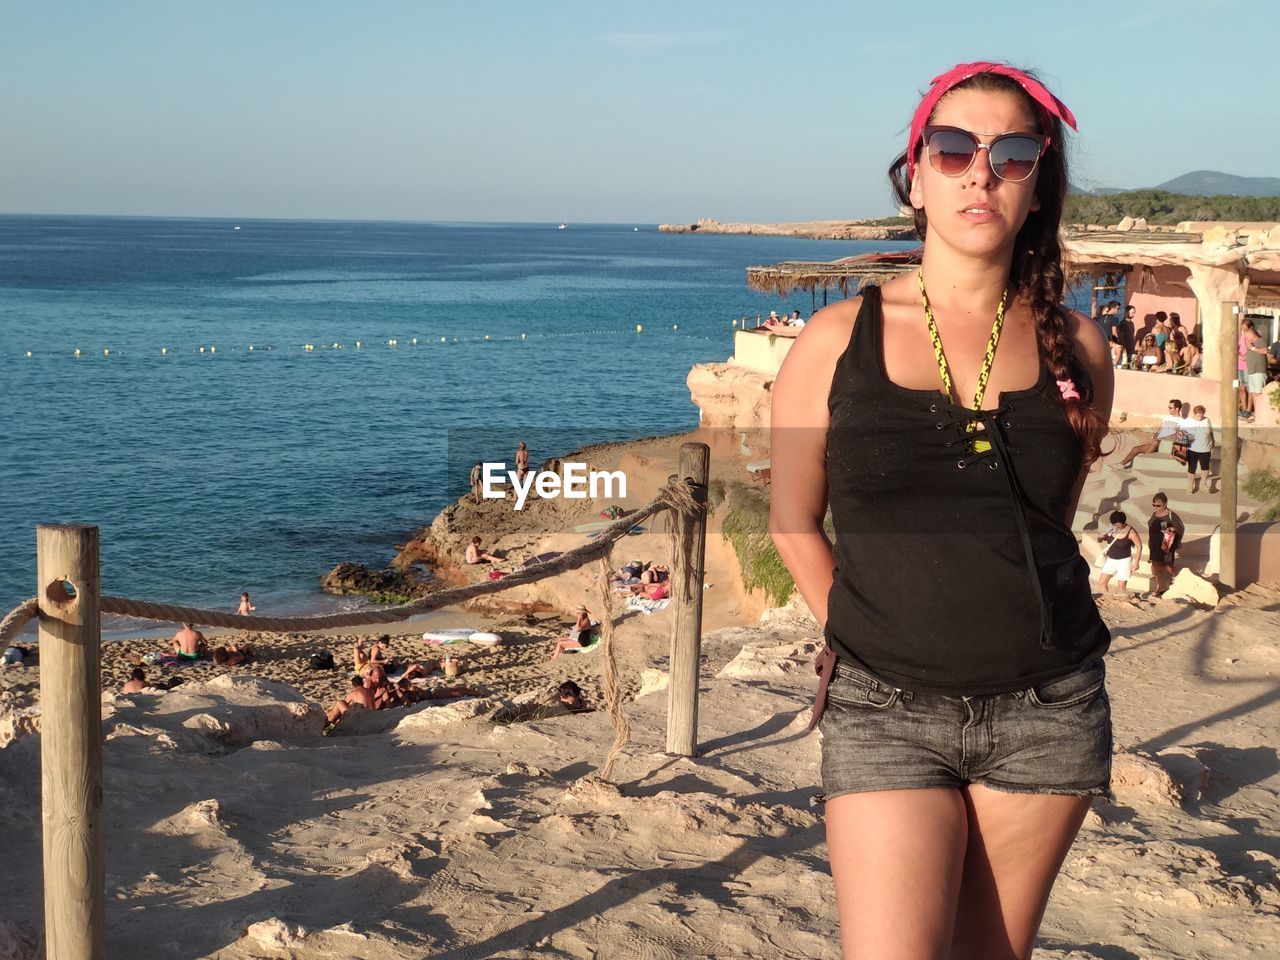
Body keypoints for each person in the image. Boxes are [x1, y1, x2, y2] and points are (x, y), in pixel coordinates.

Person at [769, 62, 1115, 958]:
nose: (980, 172)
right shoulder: (835, 340)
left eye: (1011, 154)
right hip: (885, 711)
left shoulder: (1080, 346)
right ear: (915, 175)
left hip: (1050, 710)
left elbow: (1045, 524)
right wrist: (863, 632)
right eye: (954, 148)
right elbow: (792, 522)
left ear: (1039, 186)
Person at [1114, 398, 1183, 469]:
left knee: (1155, 443)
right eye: (1168, 407)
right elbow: (1159, 430)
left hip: (1166, 445)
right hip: (1156, 443)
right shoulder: (1166, 418)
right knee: (1136, 449)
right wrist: (1154, 438)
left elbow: (1178, 437)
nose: (1169, 409)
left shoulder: (1181, 421)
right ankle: (1122, 464)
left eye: (1170, 408)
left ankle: (1141, 462)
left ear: (1177, 409)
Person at [1147, 493, 1185, 596]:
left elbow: (1180, 528)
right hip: (1155, 544)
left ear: (1165, 503)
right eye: (1154, 505)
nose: (1156, 507)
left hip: (1166, 545)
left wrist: (1172, 529)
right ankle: (1161, 587)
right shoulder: (1154, 514)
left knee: (1167, 566)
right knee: (1155, 565)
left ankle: (1177, 578)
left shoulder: (1171, 515)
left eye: (1158, 505)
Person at [1096, 511, 1142, 596]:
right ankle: (1107, 599)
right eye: (1115, 525)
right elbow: (1105, 539)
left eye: (1118, 526)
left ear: (1123, 522)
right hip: (1111, 559)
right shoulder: (1111, 527)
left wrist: (1137, 562)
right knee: (1102, 582)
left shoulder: (1131, 531)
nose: (1116, 527)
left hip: (1124, 561)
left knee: (1121, 587)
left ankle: (1123, 602)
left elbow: (1139, 546)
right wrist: (1101, 537)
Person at [1183, 404, 1215, 494]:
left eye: (1202, 415)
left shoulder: (1207, 420)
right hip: (1192, 449)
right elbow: (1183, 435)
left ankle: (1203, 485)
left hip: (1205, 449)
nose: (1200, 417)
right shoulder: (1189, 421)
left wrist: (1213, 441)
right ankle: (1190, 486)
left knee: (1205, 468)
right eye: (1198, 415)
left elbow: (1211, 432)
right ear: (1194, 414)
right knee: (1192, 468)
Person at [1244, 326, 1269, 422]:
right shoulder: (1251, 344)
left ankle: (1261, 416)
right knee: (1254, 394)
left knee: (1258, 394)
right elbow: (1246, 357)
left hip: (1259, 371)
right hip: (1251, 371)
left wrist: (1252, 347)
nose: (1246, 338)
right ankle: (1257, 415)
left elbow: (1265, 351)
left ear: (1252, 334)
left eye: (1247, 336)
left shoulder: (1260, 341)